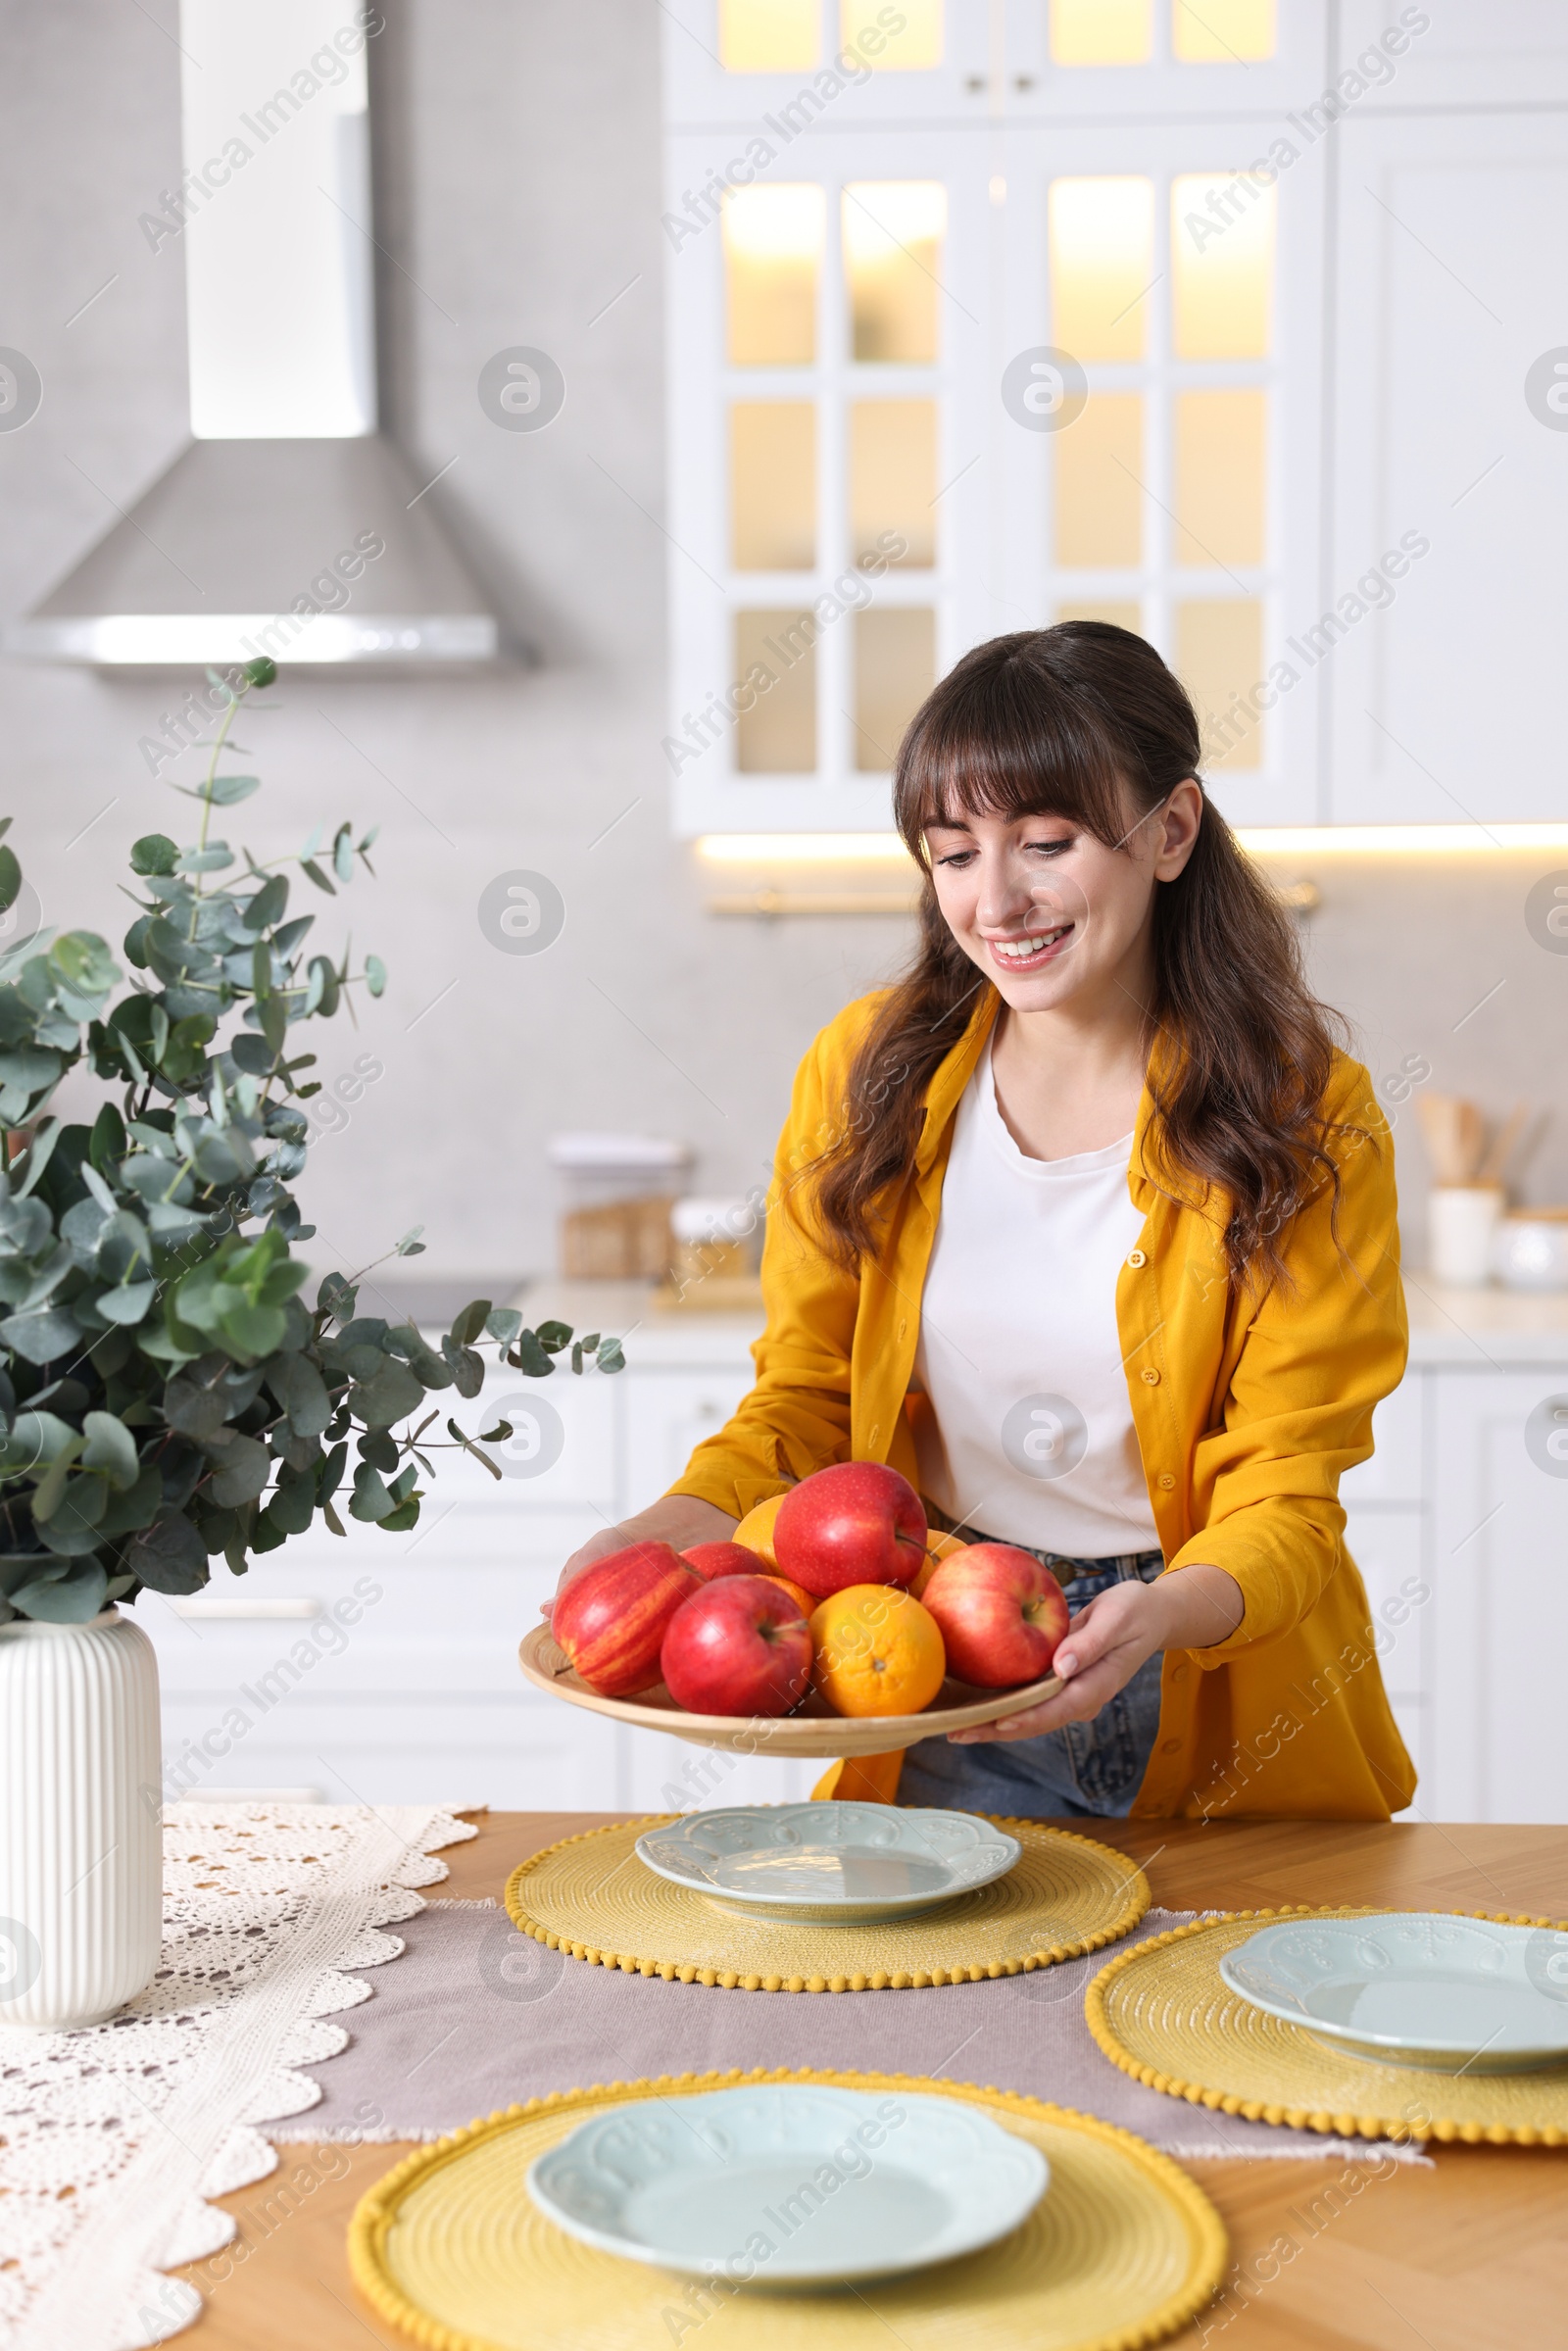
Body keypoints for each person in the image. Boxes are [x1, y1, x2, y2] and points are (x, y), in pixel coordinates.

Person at [557, 624, 1413, 1823]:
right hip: (941, 1664)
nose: (994, 900)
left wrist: (1162, 1610)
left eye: (1046, 843)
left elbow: (1288, 1479)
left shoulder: (1302, 1110)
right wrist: (667, 1526)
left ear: (1170, 830)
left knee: (1212, 2006)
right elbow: (804, 1398)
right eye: (952, 853)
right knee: (943, 2002)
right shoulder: (865, 1075)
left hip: (1220, 1681)